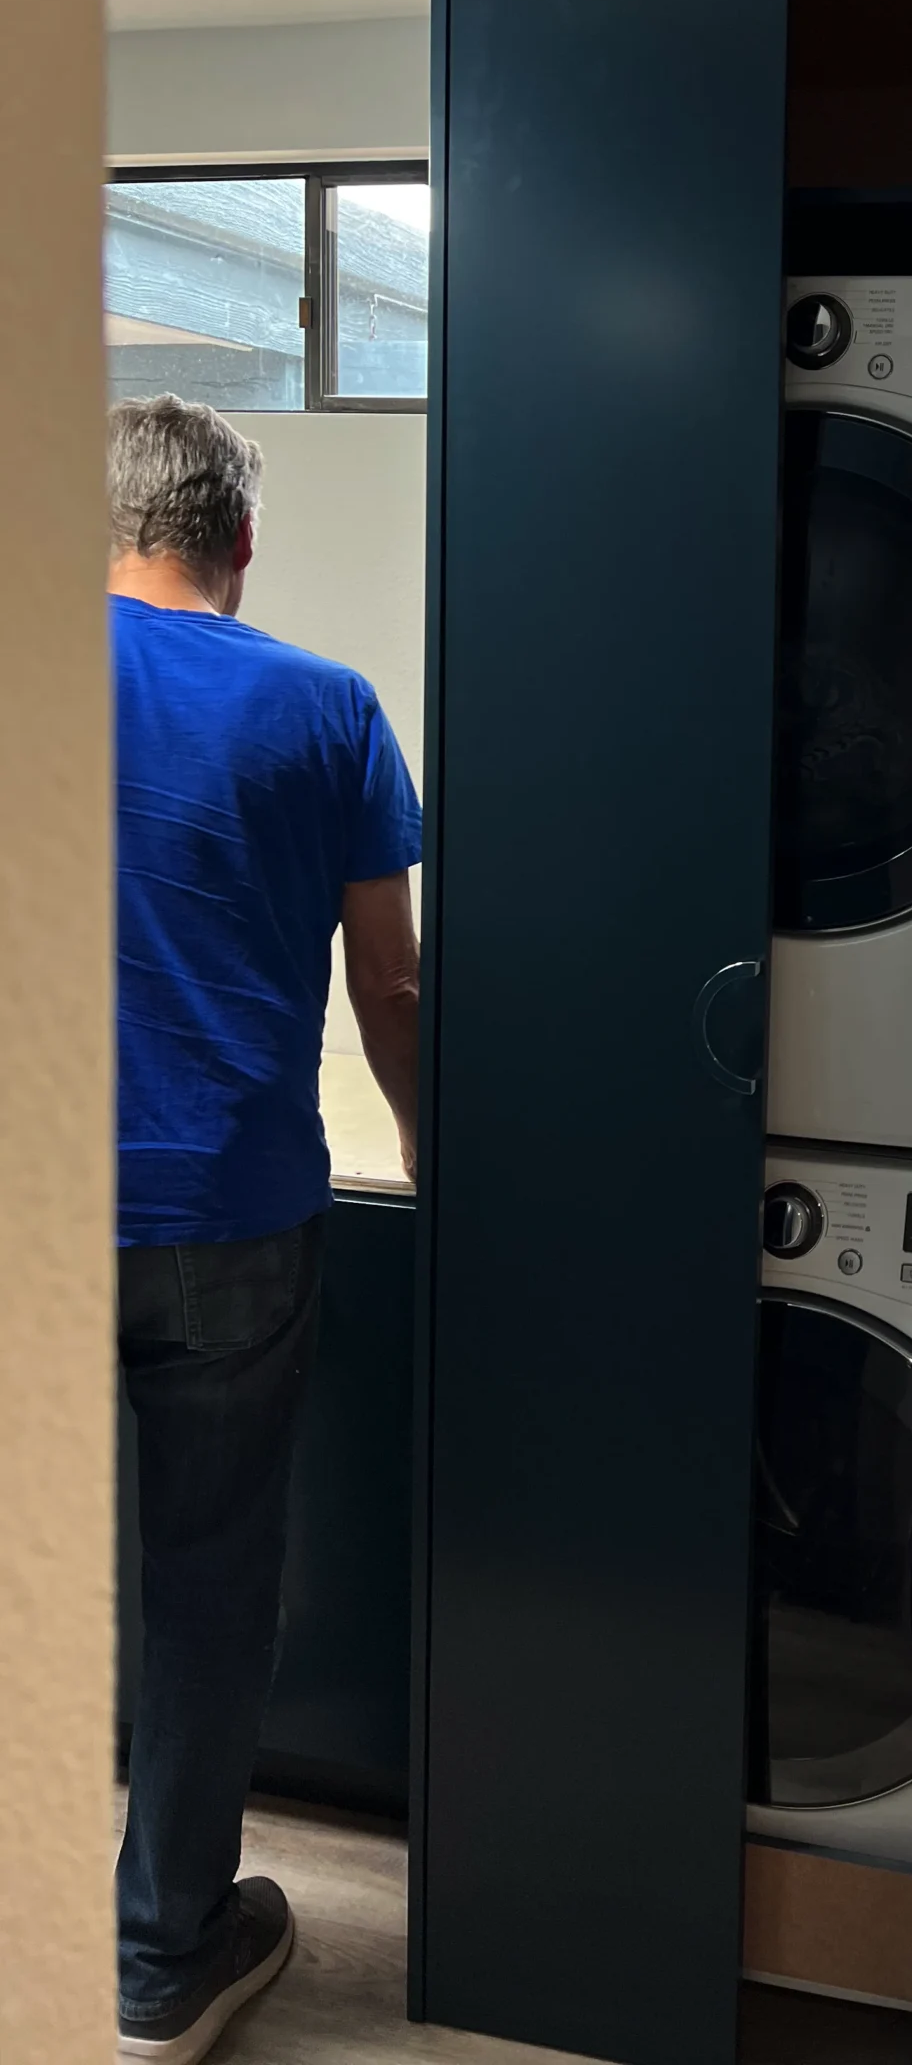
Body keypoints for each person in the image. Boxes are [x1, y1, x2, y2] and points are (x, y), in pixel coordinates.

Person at [108, 394, 423, 2063]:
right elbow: (394, 983)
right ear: (239, 543)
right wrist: (440, 1161)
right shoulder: (328, 708)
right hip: (233, 1214)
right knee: (210, 1582)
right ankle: (163, 1956)